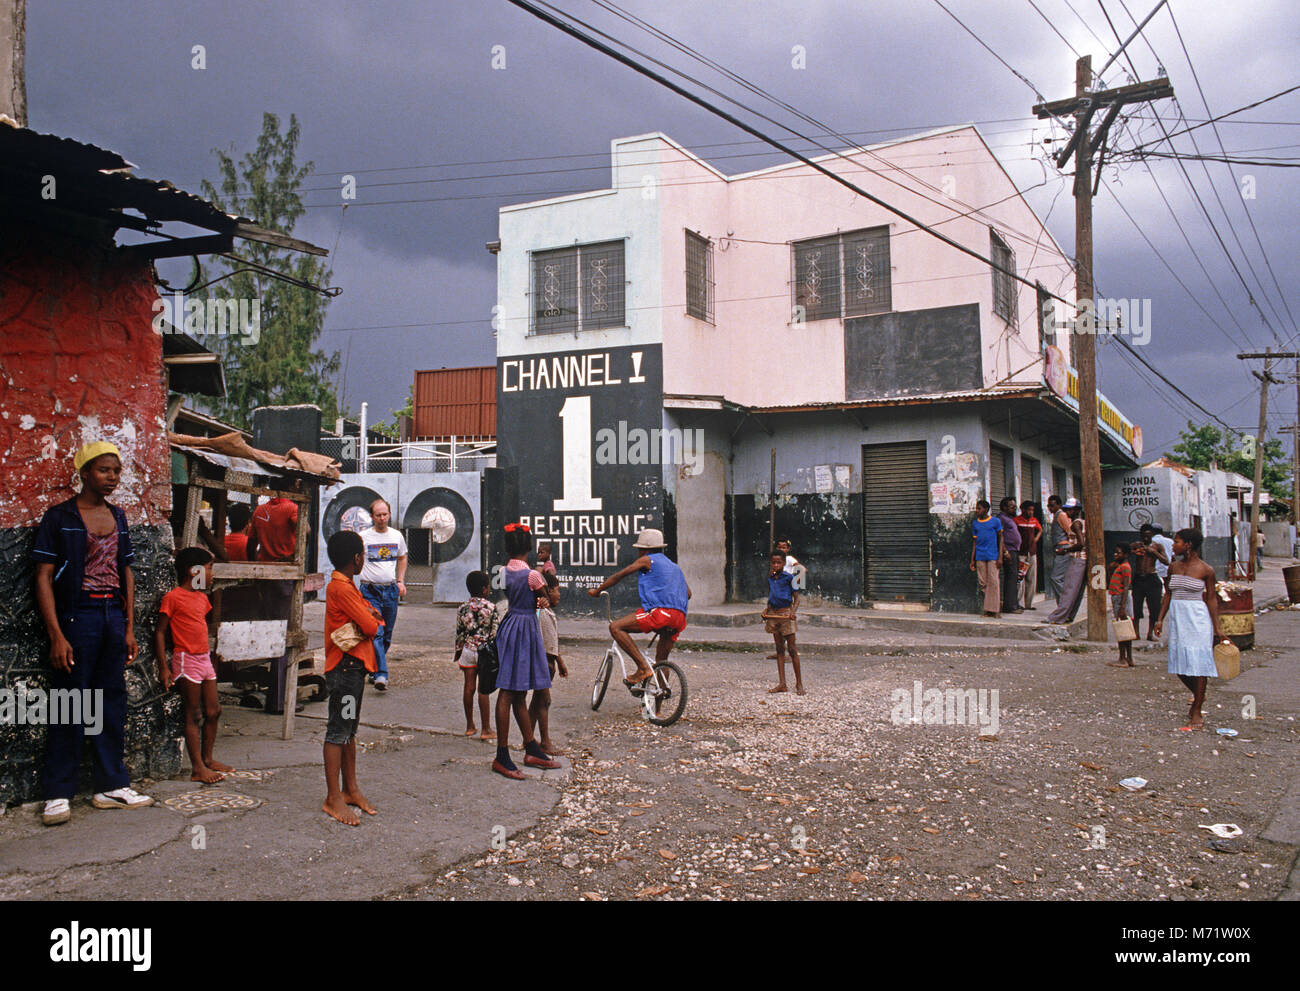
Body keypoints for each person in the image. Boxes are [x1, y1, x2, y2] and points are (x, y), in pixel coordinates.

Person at [33, 441, 155, 826]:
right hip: (77, 617)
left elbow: (127, 572)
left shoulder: (118, 517)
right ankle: (57, 792)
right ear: (84, 473)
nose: (112, 478)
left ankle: (109, 785)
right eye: (104, 471)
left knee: (110, 700)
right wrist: (56, 635)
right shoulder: (59, 518)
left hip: (111, 617)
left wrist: (129, 626)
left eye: (116, 472)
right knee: (70, 701)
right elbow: (43, 577)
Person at [156, 547, 233, 783]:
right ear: (194, 571)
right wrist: (164, 667)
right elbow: (160, 632)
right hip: (186, 659)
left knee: (214, 710)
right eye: (209, 568)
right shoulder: (173, 597)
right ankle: (197, 767)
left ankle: (208, 759)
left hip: (203, 659)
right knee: (194, 713)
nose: (211, 574)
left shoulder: (202, 598)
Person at [322, 530, 383, 825]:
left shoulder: (344, 585)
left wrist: (371, 617)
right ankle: (333, 796)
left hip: (351, 670)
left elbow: (372, 618)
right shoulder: (343, 589)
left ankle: (349, 789)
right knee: (339, 731)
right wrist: (371, 618)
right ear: (356, 558)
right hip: (345, 670)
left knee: (348, 730)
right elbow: (372, 626)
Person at [491, 523, 561, 780]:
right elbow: (547, 599)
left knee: (517, 692)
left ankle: (530, 747)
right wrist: (542, 598)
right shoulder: (533, 575)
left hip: (510, 625)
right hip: (526, 629)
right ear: (530, 547)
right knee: (510, 692)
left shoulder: (503, 571)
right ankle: (502, 756)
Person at [586, 528, 691, 685]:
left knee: (616, 627)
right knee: (662, 660)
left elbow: (619, 575)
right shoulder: (674, 566)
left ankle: (642, 668)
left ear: (645, 549)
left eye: (639, 549)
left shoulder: (647, 559)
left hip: (661, 613)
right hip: (679, 617)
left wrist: (598, 590)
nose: (638, 553)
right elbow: (688, 593)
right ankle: (658, 709)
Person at [1152, 528, 1224, 731]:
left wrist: (1217, 629)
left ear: (1188, 545)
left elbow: (1211, 599)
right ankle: (1199, 694)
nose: (1173, 545)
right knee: (1180, 667)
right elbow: (1167, 594)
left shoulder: (1206, 570)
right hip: (1178, 618)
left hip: (1198, 619)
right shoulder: (1173, 567)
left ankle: (1197, 708)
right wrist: (1159, 619)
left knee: (1199, 665)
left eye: (1177, 542)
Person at [246, 481, 303, 714]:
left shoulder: (260, 511)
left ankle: (276, 696)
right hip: (283, 572)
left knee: (272, 633)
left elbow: (251, 545)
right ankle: (279, 700)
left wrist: (253, 570)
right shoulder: (291, 508)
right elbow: (305, 532)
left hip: (264, 574)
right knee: (285, 637)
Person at [358, 498, 407, 692]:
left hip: (390, 590)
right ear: (372, 516)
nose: (382, 518)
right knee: (376, 632)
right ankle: (381, 674)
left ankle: (373, 668)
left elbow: (402, 556)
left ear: (389, 514)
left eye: (385, 514)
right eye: (378, 515)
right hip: (370, 591)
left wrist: (400, 581)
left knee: (386, 635)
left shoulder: (396, 536)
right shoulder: (363, 537)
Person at [454, 570, 499, 740]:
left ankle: (469, 726)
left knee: (468, 687)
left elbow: (460, 632)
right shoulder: (491, 608)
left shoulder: (462, 608)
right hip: (485, 652)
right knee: (483, 690)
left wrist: (458, 651)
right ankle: (486, 729)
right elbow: (495, 633)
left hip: (467, 650)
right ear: (484, 589)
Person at [529, 570, 568, 756]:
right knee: (544, 700)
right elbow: (544, 645)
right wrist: (551, 665)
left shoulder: (546, 612)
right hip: (543, 664)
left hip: (547, 663)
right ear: (548, 591)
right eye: (557, 590)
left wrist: (559, 661)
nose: (559, 594)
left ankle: (527, 738)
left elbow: (552, 642)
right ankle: (545, 742)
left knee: (538, 700)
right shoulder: (543, 614)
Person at [763, 550, 803, 694]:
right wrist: (766, 610)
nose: (775, 565)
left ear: (784, 563)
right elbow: (772, 596)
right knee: (779, 649)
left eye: (778, 562)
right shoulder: (771, 578)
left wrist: (793, 612)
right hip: (774, 615)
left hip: (786, 615)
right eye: (773, 562)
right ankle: (782, 684)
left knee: (792, 650)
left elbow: (797, 599)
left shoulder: (789, 577)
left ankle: (799, 684)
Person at [1047, 500, 1087, 624]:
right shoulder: (1082, 522)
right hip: (1083, 559)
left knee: (1069, 589)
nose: (1067, 512)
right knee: (1077, 591)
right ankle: (1069, 615)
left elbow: (1080, 544)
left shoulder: (1076, 524)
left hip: (1077, 558)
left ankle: (1058, 617)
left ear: (1076, 510)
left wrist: (1065, 551)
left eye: (1070, 510)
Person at [1130, 524, 1169, 641]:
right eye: (1144, 536)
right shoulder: (1137, 545)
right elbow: (1125, 550)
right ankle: (1136, 633)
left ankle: (1150, 634)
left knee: (1154, 607)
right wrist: (1134, 551)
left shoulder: (1157, 546)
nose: (1146, 538)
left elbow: (1166, 561)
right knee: (1136, 607)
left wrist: (1154, 552)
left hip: (1152, 578)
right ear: (1141, 535)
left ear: (1152, 535)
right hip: (1138, 578)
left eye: (1148, 536)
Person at [969, 499, 1002, 617]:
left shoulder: (995, 522)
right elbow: (975, 542)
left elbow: (1001, 538)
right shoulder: (975, 523)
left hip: (993, 556)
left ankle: (995, 610)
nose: (977, 511)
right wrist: (972, 559)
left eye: (979, 508)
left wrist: (1000, 557)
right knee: (983, 582)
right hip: (980, 556)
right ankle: (988, 608)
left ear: (986, 509)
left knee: (993, 582)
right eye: (976, 508)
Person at [1106, 544, 1135, 668]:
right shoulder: (1120, 566)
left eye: (1119, 553)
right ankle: (1128, 658)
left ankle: (1123, 658)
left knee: (1122, 630)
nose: (1115, 555)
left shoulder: (1125, 567)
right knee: (1124, 629)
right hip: (1118, 598)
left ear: (1126, 555)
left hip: (1120, 599)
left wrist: (1122, 607)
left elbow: (1126, 587)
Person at [996, 497, 1023, 614]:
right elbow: (999, 536)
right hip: (1009, 551)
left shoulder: (1009, 518)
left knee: (1014, 577)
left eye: (1015, 506)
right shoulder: (1001, 519)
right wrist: (1005, 551)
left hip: (1014, 550)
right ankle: (1010, 606)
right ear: (1004, 508)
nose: (1014, 509)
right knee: (1011, 578)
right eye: (1012, 507)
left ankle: (1014, 603)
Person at [1016, 500, 1042, 610]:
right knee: (1020, 579)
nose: (1031, 512)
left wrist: (1036, 539)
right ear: (1023, 510)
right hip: (1021, 553)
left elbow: (1040, 529)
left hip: (1032, 553)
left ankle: (1029, 604)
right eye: (1029, 510)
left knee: (1032, 578)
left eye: (1032, 510)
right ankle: (1018, 603)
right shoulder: (1016, 520)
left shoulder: (1034, 520)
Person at [1045, 495, 1071, 602]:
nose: (1050, 508)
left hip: (1063, 548)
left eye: (1052, 505)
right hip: (1058, 548)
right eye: (1048, 506)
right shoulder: (1056, 516)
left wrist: (1068, 548)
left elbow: (1070, 531)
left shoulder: (1061, 515)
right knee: (1060, 578)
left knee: (1055, 578)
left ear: (1059, 505)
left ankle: (1064, 603)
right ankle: (1063, 605)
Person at [1151, 525, 1175, 591]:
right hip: (1167, 569)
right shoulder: (1170, 541)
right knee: (1168, 589)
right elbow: (1173, 557)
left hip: (1155, 570)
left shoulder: (1151, 542)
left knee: (1156, 590)